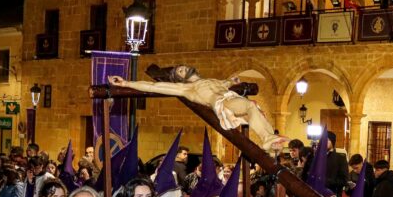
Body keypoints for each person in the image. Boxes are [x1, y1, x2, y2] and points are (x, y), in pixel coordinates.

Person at [109, 66, 289, 151]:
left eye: (183, 67)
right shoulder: (185, 89)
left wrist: (232, 81)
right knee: (250, 106)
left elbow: (226, 82)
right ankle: (268, 140)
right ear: (181, 79)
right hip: (222, 104)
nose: (184, 68)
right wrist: (126, 82)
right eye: (180, 71)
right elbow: (153, 87)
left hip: (231, 97)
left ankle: (270, 141)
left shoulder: (212, 80)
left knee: (253, 108)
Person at [324, 131, 349, 197]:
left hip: (333, 195)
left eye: (328, 140)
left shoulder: (340, 158)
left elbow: (344, 180)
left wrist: (327, 181)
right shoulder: (319, 157)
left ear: (333, 141)